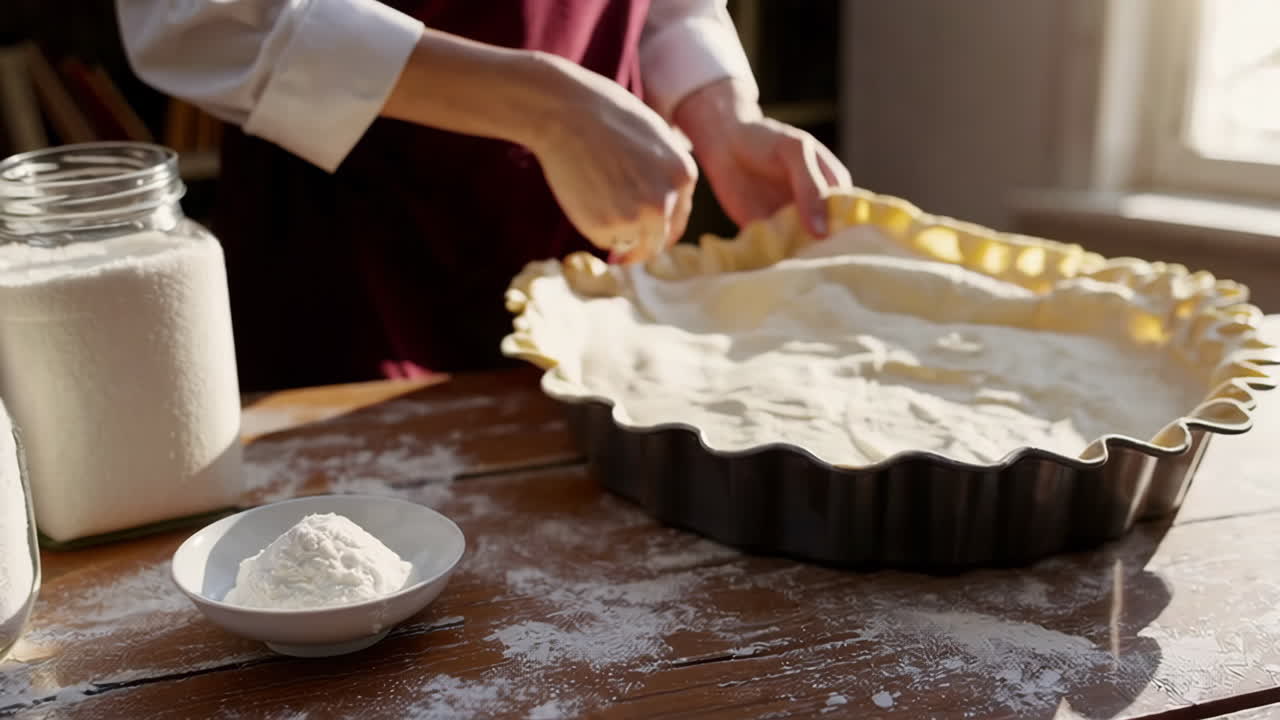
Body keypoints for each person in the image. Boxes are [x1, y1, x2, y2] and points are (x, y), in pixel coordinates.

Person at [115, 0, 851, 390]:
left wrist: (722, 117)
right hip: (348, 265)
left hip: (582, 263)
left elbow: (667, 7)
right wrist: (541, 106)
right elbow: (194, 20)